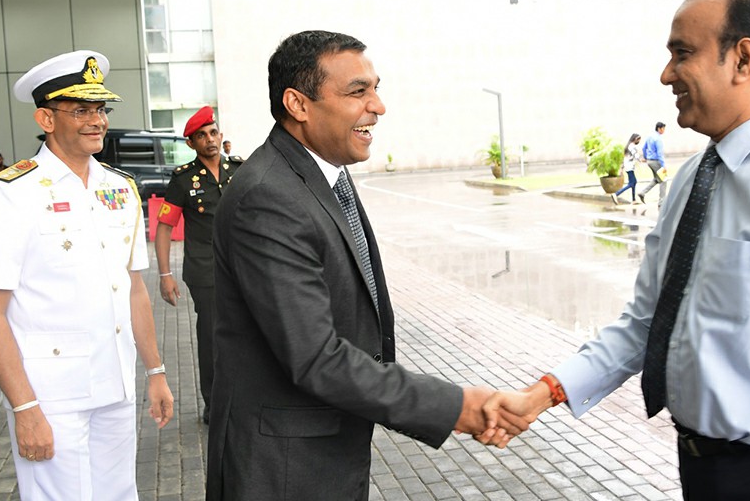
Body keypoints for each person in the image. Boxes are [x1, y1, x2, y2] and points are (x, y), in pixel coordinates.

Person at [483, 0, 750, 500]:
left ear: (743, 59)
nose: (666, 74)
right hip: (700, 470)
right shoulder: (694, 177)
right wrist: (543, 394)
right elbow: (650, 323)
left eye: (682, 53)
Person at [205, 30, 525, 500]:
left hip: (326, 447)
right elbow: (315, 356)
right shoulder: (268, 197)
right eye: (358, 91)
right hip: (282, 467)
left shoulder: (321, 172)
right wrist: (457, 406)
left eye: (375, 88)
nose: (378, 106)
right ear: (298, 104)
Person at [0, 50, 174, 500]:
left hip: (114, 382)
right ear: (46, 119)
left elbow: (133, 290)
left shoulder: (119, 188)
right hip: (51, 394)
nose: (97, 121)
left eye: (100, 109)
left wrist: (156, 371)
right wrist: (24, 407)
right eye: (81, 110)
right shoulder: (9, 195)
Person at [155, 106, 242, 425]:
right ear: (191, 144)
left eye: (213, 132)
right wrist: (165, 275)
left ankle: (245, 397)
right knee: (212, 337)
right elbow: (164, 226)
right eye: (201, 136)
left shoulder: (239, 169)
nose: (210, 139)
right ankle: (215, 402)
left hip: (244, 270)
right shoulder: (183, 180)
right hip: (206, 271)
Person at [610, 133, 643, 204]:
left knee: (633, 182)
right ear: (635, 139)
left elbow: (624, 158)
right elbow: (635, 155)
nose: (639, 142)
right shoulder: (632, 146)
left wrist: (621, 168)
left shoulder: (628, 146)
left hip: (628, 166)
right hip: (629, 167)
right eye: (638, 140)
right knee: (632, 183)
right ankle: (616, 194)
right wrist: (641, 160)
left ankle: (634, 200)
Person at [639, 121, 667, 205]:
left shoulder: (650, 137)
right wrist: (663, 166)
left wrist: (645, 157)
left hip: (649, 161)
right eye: (663, 129)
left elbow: (644, 148)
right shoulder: (658, 139)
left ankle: (642, 193)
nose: (664, 130)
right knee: (663, 180)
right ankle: (662, 202)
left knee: (656, 179)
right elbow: (660, 154)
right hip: (656, 162)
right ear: (659, 129)